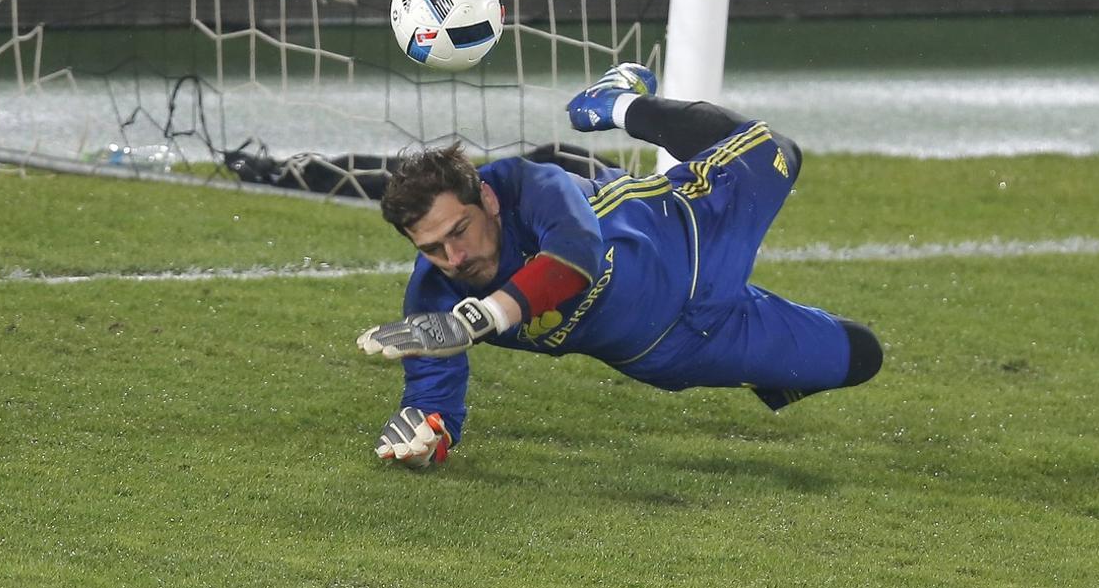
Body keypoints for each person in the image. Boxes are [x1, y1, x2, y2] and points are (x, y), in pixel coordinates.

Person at [357, 63, 883, 468]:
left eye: (458, 232)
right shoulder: (434, 296)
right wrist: (427, 437)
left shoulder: (528, 186)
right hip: (677, 350)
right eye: (431, 249)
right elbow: (433, 399)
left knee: (777, 151)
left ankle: (620, 105)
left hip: (693, 231)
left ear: (487, 201)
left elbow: (576, 257)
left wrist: (477, 319)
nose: (454, 258)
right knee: (861, 356)